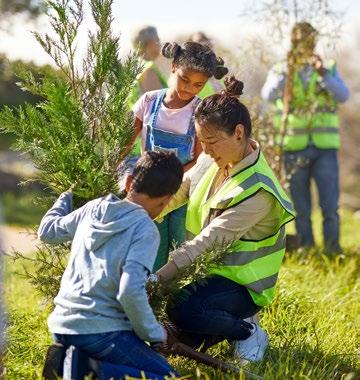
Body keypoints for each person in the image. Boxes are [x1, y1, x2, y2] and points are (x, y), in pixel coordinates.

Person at [153, 76, 295, 362]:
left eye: (212, 141)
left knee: (183, 308)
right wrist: (137, 210)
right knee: (186, 329)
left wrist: (157, 280)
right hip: (209, 274)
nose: (205, 150)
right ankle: (211, 328)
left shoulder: (258, 190)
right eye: (201, 141)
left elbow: (207, 242)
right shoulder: (212, 159)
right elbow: (177, 193)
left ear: (239, 133)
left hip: (243, 287)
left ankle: (248, 330)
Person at [38, 151, 183, 379]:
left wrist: (66, 196)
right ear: (166, 201)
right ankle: (90, 371)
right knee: (168, 377)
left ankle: (69, 359)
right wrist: (155, 334)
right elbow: (129, 291)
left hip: (62, 325)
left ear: (127, 182)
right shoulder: (145, 229)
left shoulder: (93, 208)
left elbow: (47, 232)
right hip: (102, 331)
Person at [127, 41, 228, 271]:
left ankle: (176, 302)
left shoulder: (201, 112)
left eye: (198, 85)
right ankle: (151, 297)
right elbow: (126, 142)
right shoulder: (149, 102)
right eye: (184, 79)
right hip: (151, 193)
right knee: (152, 247)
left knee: (182, 249)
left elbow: (201, 159)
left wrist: (174, 181)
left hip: (186, 193)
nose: (189, 89)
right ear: (173, 67)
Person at [261, 21, 350, 253]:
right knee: (301, 208)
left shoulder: (327, 67)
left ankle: (333, 250)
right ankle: (307, 249)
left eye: (309, 41)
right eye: (300, 41)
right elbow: (268, 94)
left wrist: (322, 75)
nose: (305, 45)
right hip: (294, 146)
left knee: (330, 206)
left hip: (324, 149)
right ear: (293, 42)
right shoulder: (281, 68)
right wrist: (288, 74)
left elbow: (343, 95)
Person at [188, 31, 224, 99]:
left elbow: (222, 91)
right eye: (196, 42)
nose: (200, 44)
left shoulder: (217, 67)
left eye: (202, 41)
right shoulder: (185, 68)